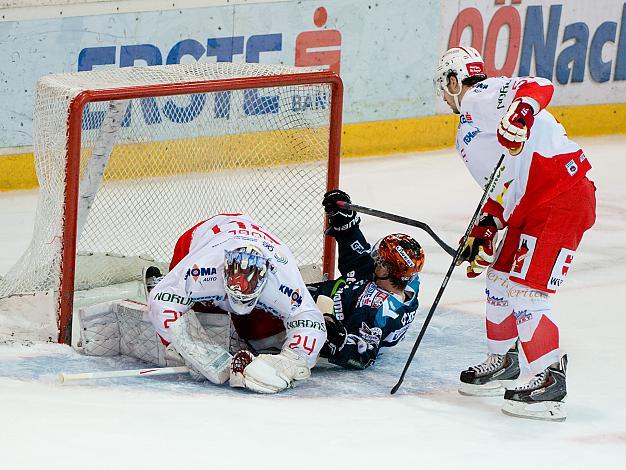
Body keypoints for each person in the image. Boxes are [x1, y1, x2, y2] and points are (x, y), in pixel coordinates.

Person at [434, 46, 596, 421]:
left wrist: (522, 112)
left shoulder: (480, 95)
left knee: (526, 291)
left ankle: (548, 379)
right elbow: (502, 185)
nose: (444, 96)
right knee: (499, 278)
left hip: (559, 194)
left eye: (445, 86)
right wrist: (486, 227)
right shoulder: (468, 131)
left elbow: (538, 84)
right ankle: (503, 360)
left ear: (455, 81)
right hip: (531, 203)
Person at [147, 213, 327, 394]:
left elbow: (309, 319)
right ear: (224, 270)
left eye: (247, 285)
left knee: (260, 335)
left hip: (249, 241)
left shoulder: (281, 278)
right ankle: (165, 279)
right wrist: (184, 345)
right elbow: (161, 299)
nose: (240, 290)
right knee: (200, 311)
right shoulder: (203, 268)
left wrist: (292, 359)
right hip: (202, 237)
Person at [307, 189, 424, 370]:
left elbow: (362, 357)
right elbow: (358, 260)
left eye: (380, 260)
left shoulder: (375, 311)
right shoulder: (406, 280)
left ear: (388, 270)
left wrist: (337, 339)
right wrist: (346, 223)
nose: (375, 258)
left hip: (311, 316)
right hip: (328, 295)